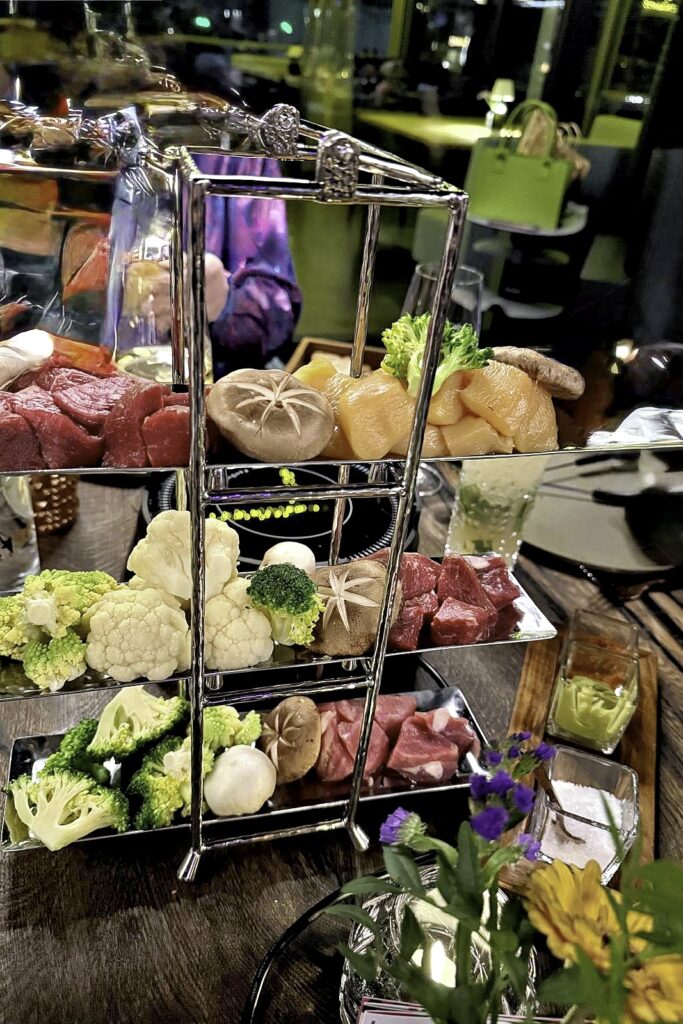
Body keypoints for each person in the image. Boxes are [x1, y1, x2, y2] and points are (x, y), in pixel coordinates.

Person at [110, 150, 301, 378]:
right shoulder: (88, 149)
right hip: (88, 374)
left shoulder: (240, 152)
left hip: (202, 379)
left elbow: (280, 315)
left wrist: (226, 300)